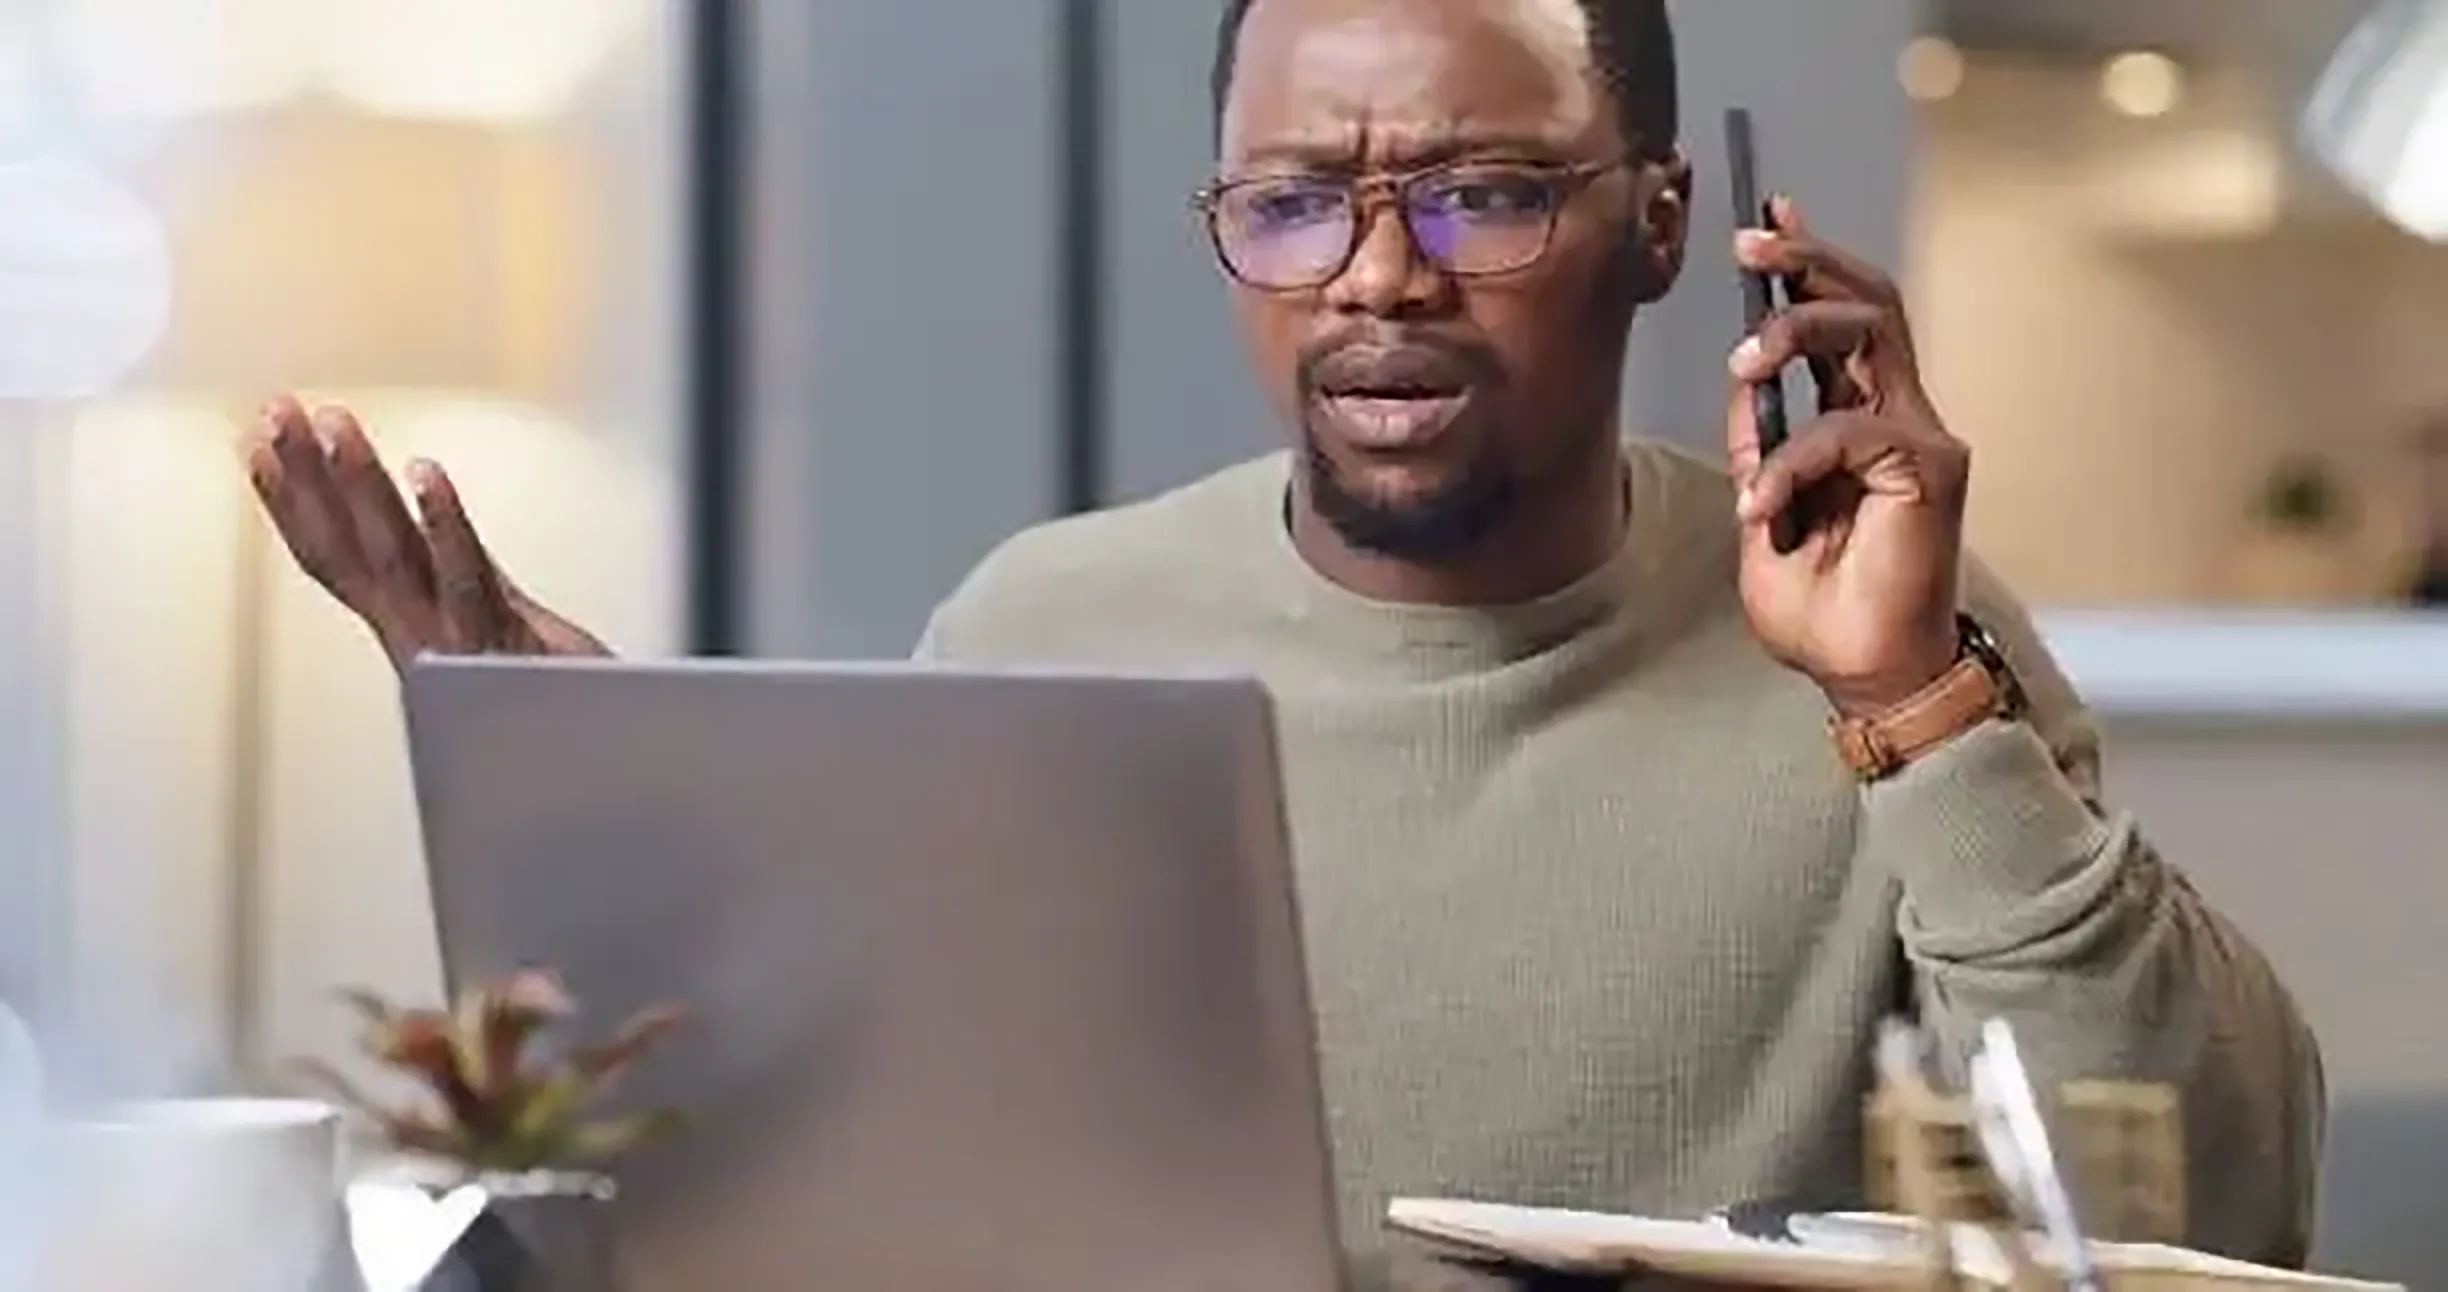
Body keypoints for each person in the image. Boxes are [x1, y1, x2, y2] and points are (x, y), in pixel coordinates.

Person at [241, 0, 2324, 1280]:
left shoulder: (1900, 639)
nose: (1376, 280)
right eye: (1297, 201)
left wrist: (1913, 705)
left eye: (1486, 193)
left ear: (1671, 226)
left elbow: (2196, 1207)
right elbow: (860, 1201)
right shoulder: (1045, 623)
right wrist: (644, 826)